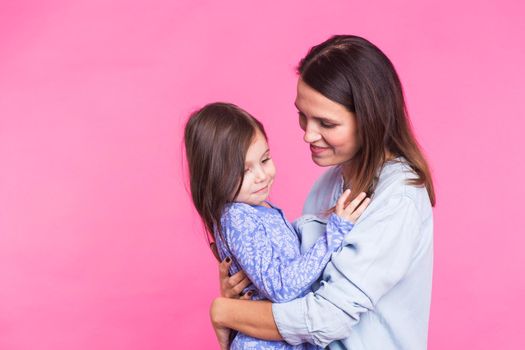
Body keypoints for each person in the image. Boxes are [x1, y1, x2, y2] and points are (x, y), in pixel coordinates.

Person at [210, 35, 436, 350]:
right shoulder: (329, 183)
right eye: (303, 115)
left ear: (370, 121)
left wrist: (228, 312)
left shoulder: (398, 199)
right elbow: (298, 285)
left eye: (326, 123)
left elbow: (327, 318)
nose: (308, 134)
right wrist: (245, 289)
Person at [184, 102, 371, 350]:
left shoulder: (257, 209)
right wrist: (334, 232)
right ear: (214, 175)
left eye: (265, 159)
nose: (261, 175)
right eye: (244, 170)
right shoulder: (238, 218)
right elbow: (281, 288)